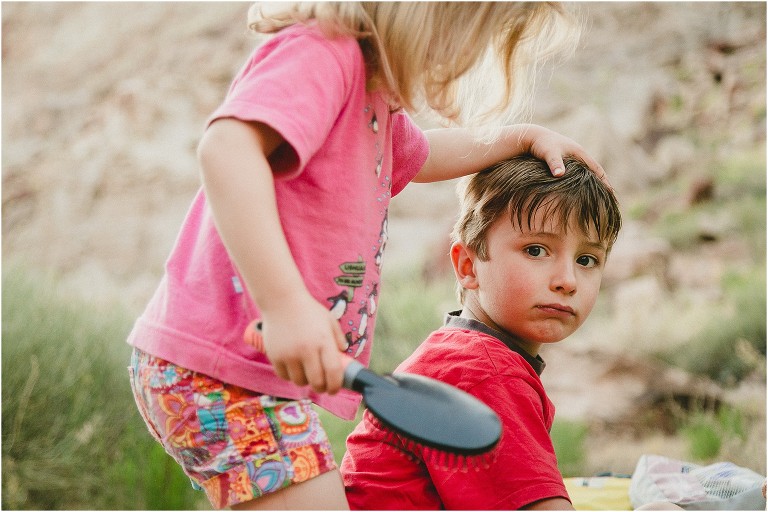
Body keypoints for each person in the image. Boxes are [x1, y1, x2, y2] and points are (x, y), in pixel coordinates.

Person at [127, 3, 605, 510]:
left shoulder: (372, 97)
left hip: (250, 372)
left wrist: (521, 138)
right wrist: (285, 305)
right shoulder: (324, 54)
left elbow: (423, 156)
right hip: (228, 364)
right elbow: (226, 148)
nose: (467, 63)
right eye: (472, 41)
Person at [341, 155, 622, 510]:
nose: (567, 281)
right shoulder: (483, 370)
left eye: (587, 260)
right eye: (536, 250)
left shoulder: (465, 352)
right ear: (468, 266)